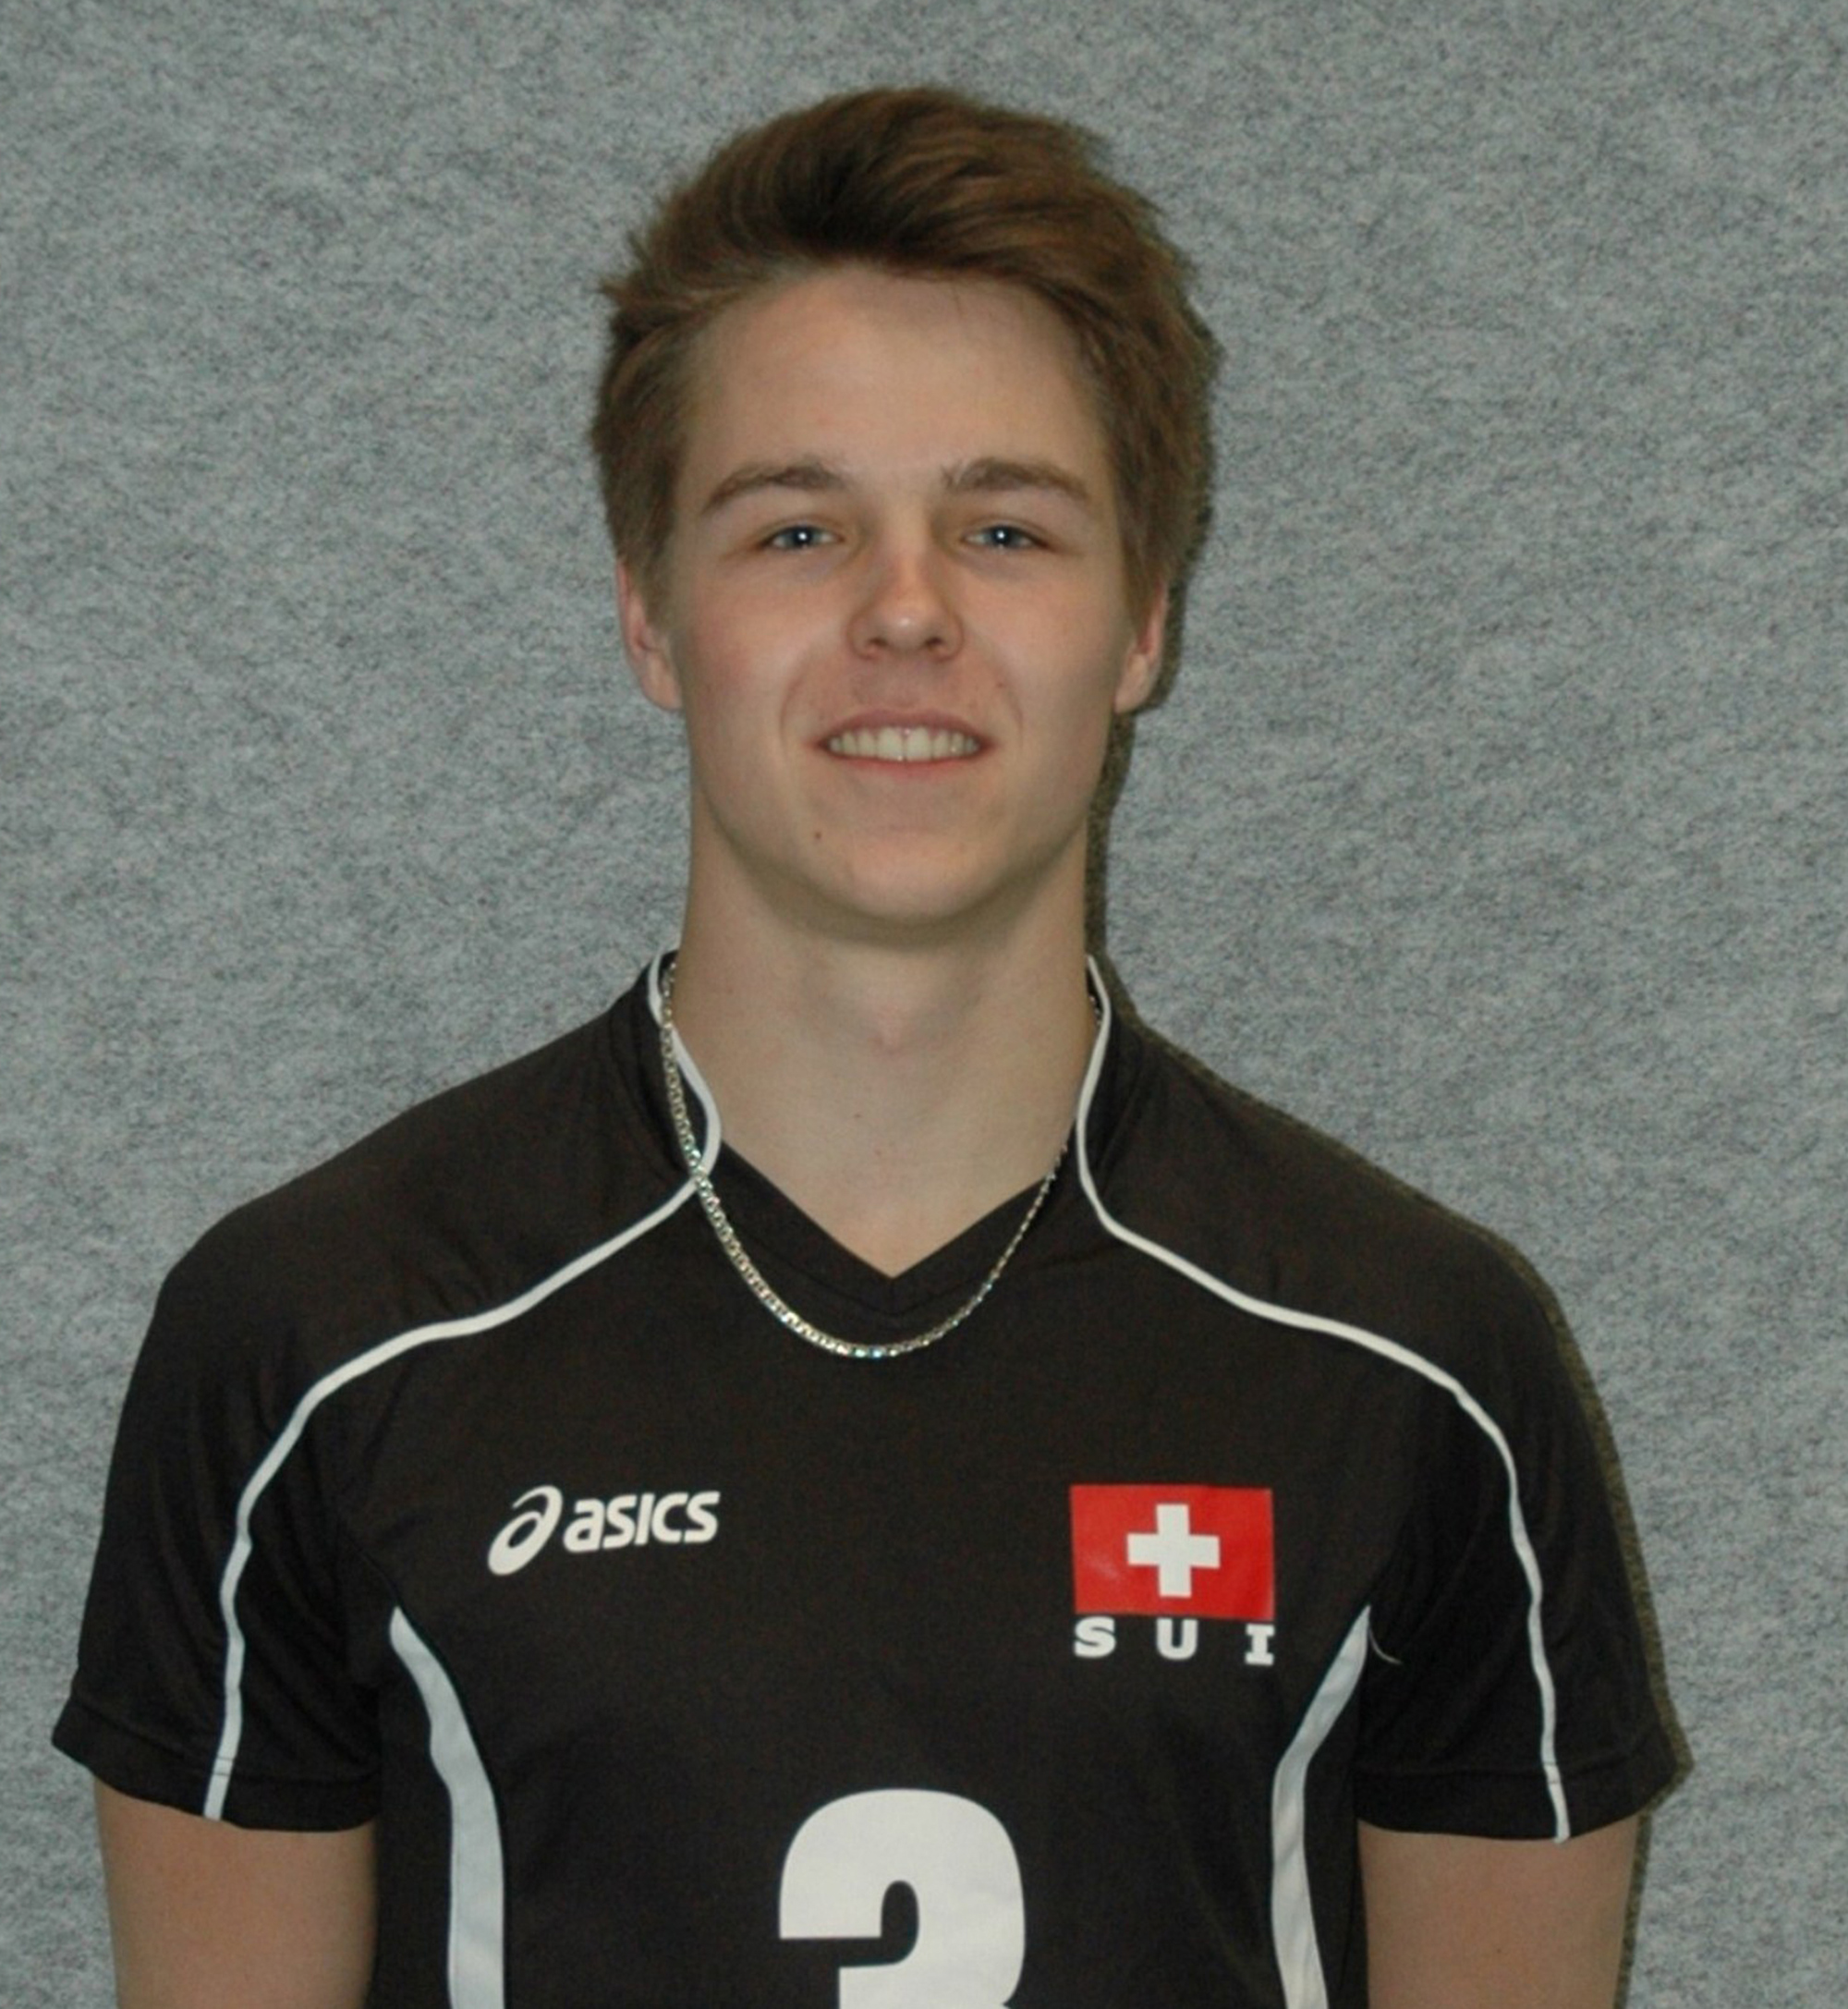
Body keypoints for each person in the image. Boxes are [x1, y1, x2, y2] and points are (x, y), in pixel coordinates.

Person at [55, 86, 1675, 2008]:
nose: (906, 612)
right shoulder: (316, 1338)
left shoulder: (1419, 1365)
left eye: (1004, 527)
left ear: (1141, 622)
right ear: (651, 615)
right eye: (799, 527)